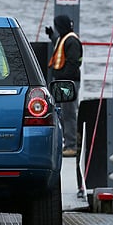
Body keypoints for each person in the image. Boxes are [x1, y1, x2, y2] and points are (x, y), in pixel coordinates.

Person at [46, 14, 82, 157]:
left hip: (68, 82)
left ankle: (71, 146)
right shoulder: (64, 38)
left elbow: (73, 63)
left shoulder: (72, 40)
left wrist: (61, 75)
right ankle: (67, 141)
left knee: (69, 114)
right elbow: (59, 44)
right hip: (63, 82)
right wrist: (52, 36)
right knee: (61, 113)